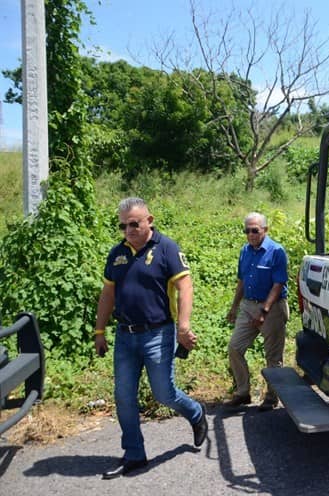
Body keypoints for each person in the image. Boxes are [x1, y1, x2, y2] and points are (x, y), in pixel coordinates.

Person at [94, 197, 207, 480]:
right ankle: (134, 454)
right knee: (123, 396)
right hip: (125, 336)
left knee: (163, 393)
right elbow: (107, 294)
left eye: (134, 223)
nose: (128, 230)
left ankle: (195, 413)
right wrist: (99, 331)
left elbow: (185, 286)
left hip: (158, 333)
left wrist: (183, 326)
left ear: (150, 220)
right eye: (123, 225)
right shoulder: (117, 254)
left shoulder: (166, 248)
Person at [225, 212, 289, 410]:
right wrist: (235, 307)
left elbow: (278, 283)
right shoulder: (245, 251)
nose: (251, 234)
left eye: (255, 230)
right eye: (247, 230)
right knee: (235, 348)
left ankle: (271, 397)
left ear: (265, 230)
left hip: (272, 308)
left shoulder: (276, 251)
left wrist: (264, 310)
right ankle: (243, 392)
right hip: (248, 305)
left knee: (273, 356)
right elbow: (242, 281)